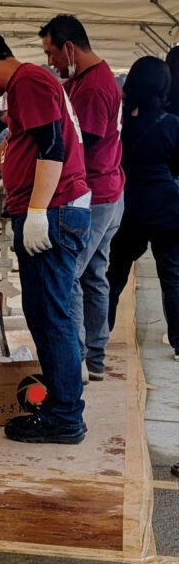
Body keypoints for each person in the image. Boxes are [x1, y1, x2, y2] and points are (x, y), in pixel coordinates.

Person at [0, 27, 90, 444]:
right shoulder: (25, 86)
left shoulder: (27, 80)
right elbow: (19, 141)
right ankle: (61, 407)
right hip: (57, 208)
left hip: (57, 210)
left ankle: (65, 417)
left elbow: (52, 146)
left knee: (51, 315)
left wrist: (40, 211)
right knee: (44, 313)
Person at [39, 15, 124, 383]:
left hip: (95, 194)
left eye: (52, 53)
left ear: (70, 47)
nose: (51, 62)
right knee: (94, 275)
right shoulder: (87, 79)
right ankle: (95, 360)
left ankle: (75, 361)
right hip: (110, 189)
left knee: (68, 275)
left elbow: (77, 147)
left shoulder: (92, 89)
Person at [105, 56, 179, 363]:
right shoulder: (173, 124)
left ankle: (98, 333)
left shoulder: (124, 122)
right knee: (172, 275)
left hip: (129, 205)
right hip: (166, 205)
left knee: (113, 273)